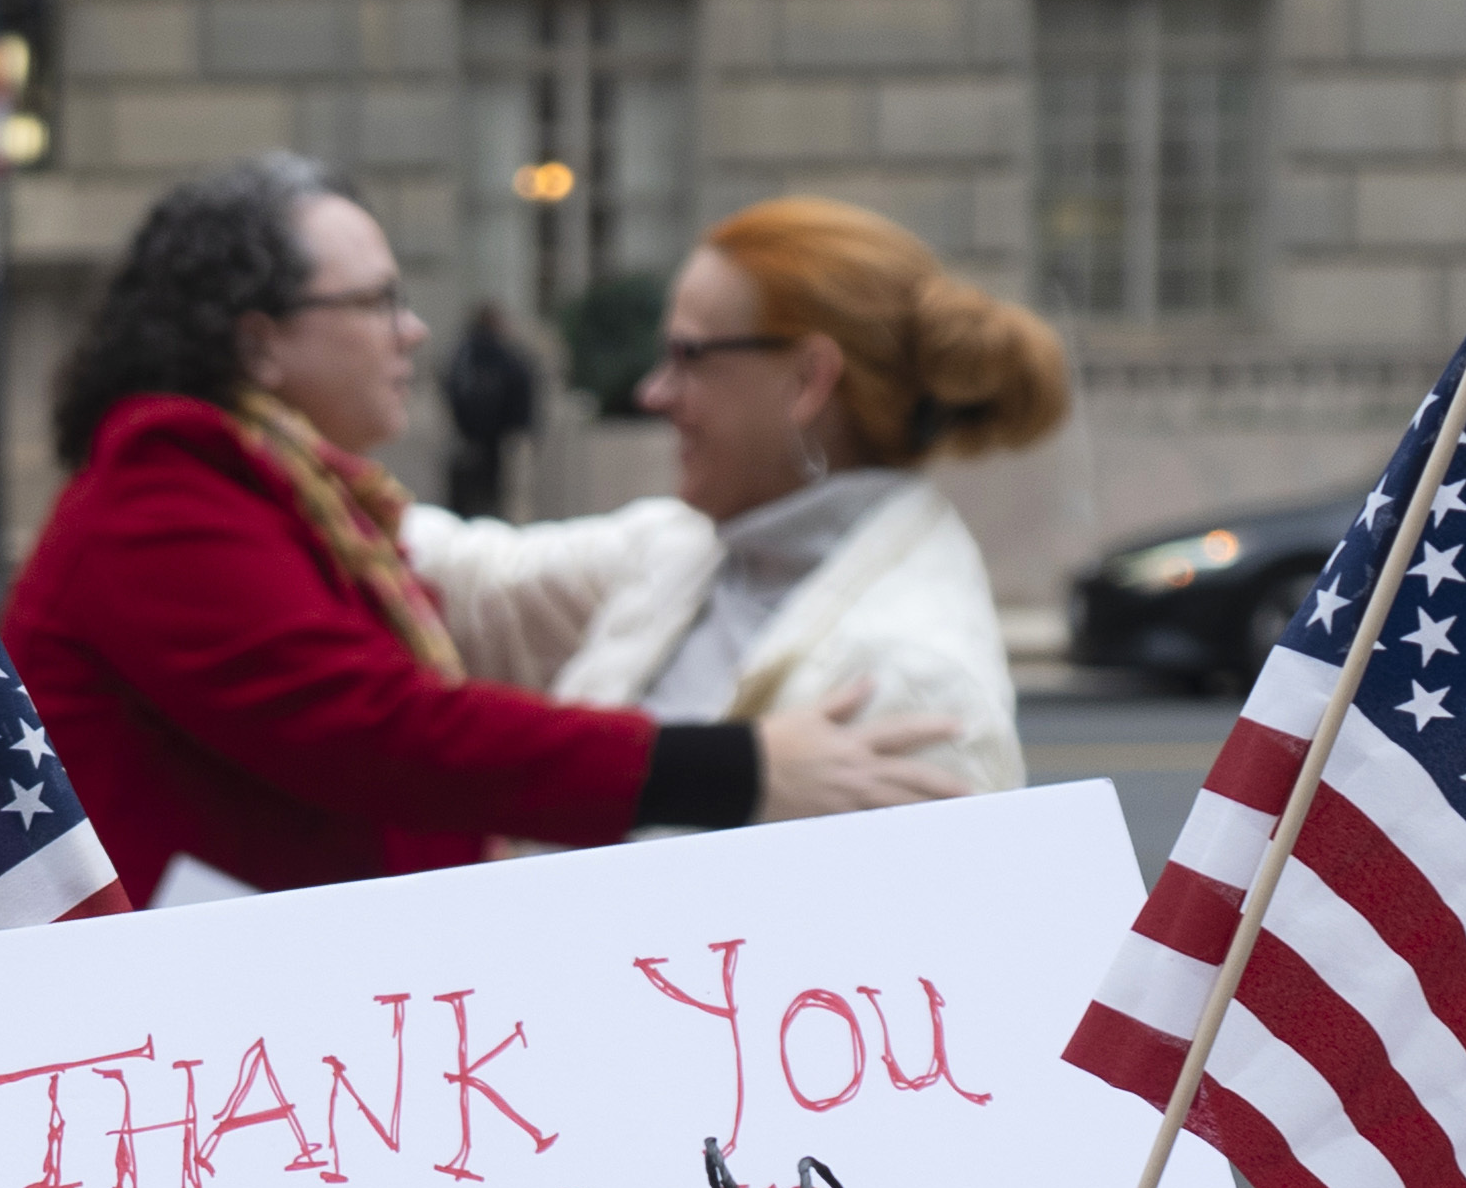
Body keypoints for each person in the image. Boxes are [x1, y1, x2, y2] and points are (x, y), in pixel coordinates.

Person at [0, 155, 963, 901]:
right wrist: (735, 767)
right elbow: (382, 730)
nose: (412, 330)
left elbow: (480, 595)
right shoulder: (160, 497)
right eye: (377, 301)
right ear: (259, 344)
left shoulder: (292, 495)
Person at [404, 196, 1069, 798]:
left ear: (808, 381)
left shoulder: (919, 677)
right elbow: (469, 578)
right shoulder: (698, 545)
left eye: (687, 356)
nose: (652, 393)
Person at [440, 301, 536, 519]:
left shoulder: (464, 355)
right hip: (496, 438)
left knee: (473, 501)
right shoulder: (504, 355)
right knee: (498, 500)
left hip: (473, 437)